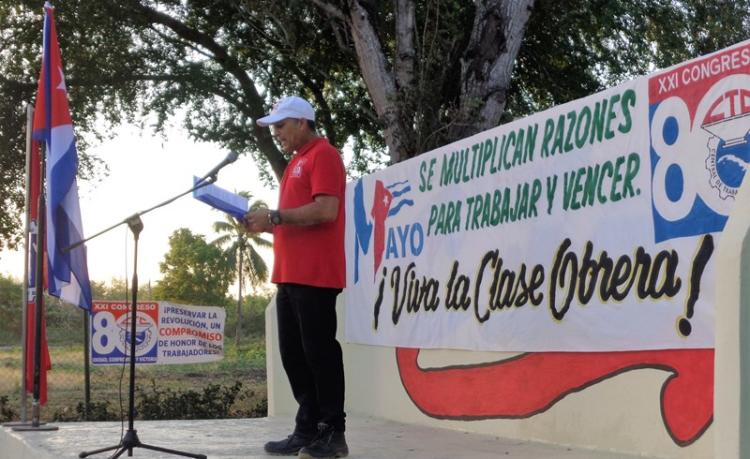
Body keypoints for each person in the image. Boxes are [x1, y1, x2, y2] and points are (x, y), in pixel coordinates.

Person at [243, 96, 348, 459]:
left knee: (319, 353)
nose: (276, 133)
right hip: (288, 274)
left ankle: (333, 433)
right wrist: (266, 224)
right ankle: (307, 428)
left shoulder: (324, 155)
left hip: (315, 274)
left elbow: (326, 210)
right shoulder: (295, 164)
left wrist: (275, 217)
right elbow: (295, 222)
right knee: (294, 355)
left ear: (302, 122)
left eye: (281, 125)